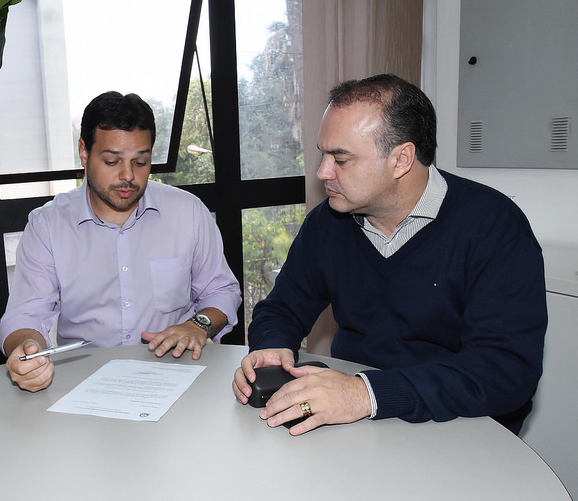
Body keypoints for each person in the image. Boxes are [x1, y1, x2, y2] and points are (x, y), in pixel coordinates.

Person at [233, 74, 547, 436]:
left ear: (401, 159)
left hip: (463, 426)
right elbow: (283, 308)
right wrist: (272, 348)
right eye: (323, 154)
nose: (322, 172)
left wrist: (366, 393)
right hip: (356, 416)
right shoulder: (329, 223)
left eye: (341, 159)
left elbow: (505, 371)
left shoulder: (494, 226)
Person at [0, 91, 241, 392]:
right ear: (84, 153)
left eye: (140, 162)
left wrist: (197, 325)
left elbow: (222, 290)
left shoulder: (187, 212)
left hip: (178, 379)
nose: (128, 176)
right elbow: (25, 314)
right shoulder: (48, 225)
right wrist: (26, 349)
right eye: (112, 161)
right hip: (85, 386)